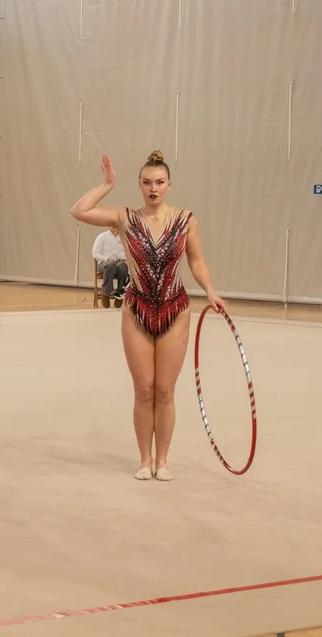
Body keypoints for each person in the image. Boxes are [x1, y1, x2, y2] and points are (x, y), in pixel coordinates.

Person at [70, 151, 226, 481]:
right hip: (137, 309)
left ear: (169, 185)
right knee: (143, 389)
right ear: (139, 185)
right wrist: (107, 185)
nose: (153, 188)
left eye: (159, 182)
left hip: (175, 309)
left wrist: (211, 291)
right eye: (146, 183)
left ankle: (163, 460)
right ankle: (145, 459)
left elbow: (196, 261)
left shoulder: (185, 220)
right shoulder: (125, 218)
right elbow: (78, 211)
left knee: (165, 390)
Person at [92, 224, 128, 308]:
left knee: (122, 265)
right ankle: (105, 293)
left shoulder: (123, 237)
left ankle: (120, 293)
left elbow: (128, 253)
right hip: (104, 263)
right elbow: (95, 253)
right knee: (110, 265)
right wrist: (108, 258)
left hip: (118, 262)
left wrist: (119, 257)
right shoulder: (102, 237)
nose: (113, 226)